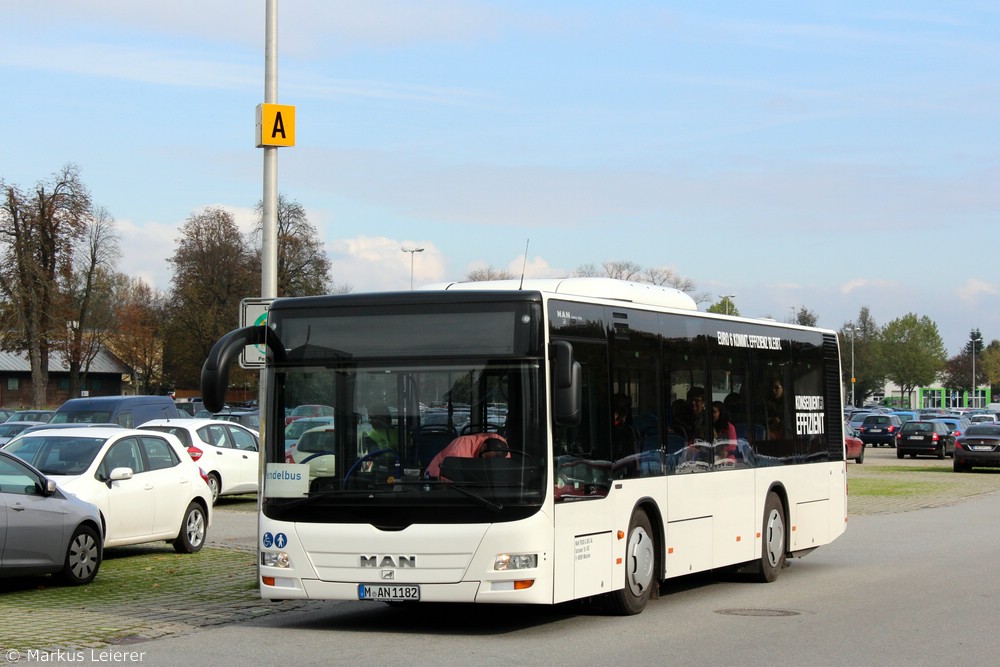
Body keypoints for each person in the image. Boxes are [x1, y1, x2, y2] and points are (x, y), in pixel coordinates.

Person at [425, 432, 508, 480]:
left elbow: (504, 475)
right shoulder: (461, 445)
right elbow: (449, 477)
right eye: (485, 459)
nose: (485, 464)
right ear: (484, 447)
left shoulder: (502, 445)